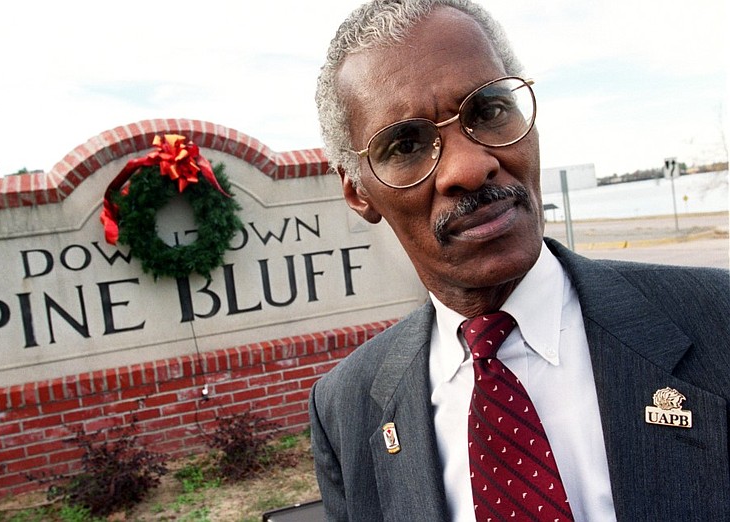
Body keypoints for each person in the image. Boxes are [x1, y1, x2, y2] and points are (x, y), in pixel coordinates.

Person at [308, 1, 730, 520]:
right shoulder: (345, 409)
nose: (470, 166)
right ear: (358, 193)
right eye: (407, 144)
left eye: (487, 112)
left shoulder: (718, 320)